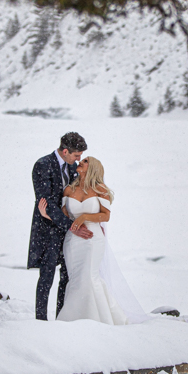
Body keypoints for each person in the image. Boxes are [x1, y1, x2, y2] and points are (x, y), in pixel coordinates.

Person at [38, 156, 149, 325]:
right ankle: (72, 319)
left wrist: (84, 217)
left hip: (92, 239)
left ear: (93, 168)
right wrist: (46, 215)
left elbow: (106, 215)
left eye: (85, 161)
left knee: (89, 276)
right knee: (76, 278)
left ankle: (100, 319)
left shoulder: (100, 189)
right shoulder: (69, 190)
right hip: (72, 241)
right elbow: (64, 216)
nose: (80, 162)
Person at [29, 132, 93, 320]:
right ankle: (40, 320)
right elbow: (46, 202)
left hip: (69, 232)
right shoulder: (43, 165)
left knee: (67, 277)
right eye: (76, 155)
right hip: (48, 230)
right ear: (65, 151)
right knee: (46, 277)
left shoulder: (75, 169)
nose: (78, 159)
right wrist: (72, 226)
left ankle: (61, 318)